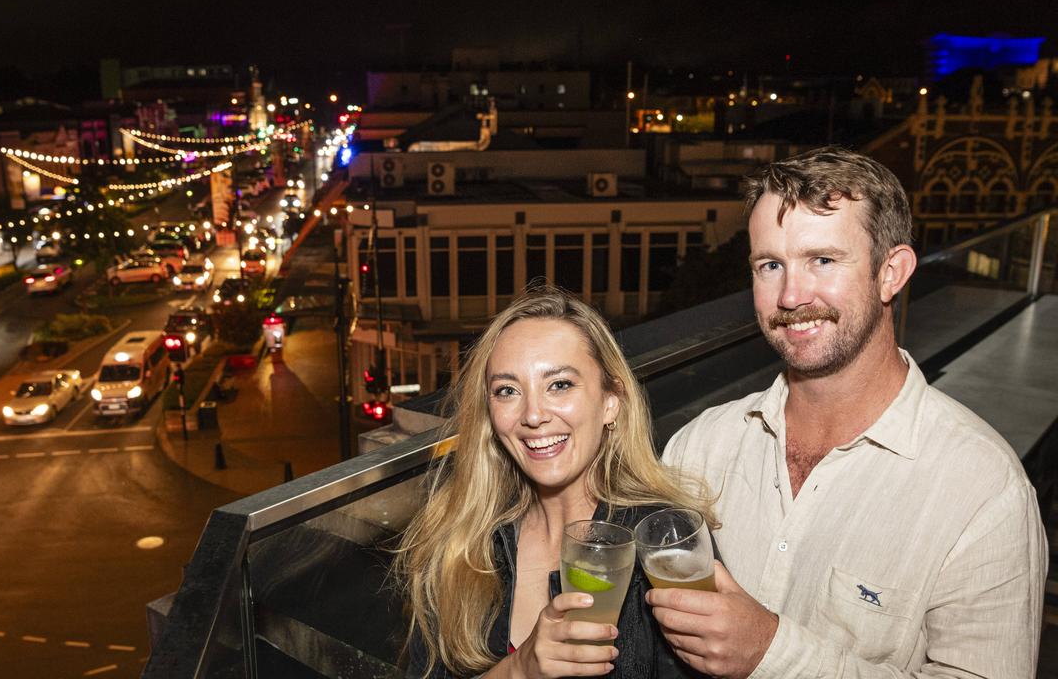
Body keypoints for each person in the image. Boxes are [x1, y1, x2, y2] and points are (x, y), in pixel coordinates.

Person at [654, 146, 1047, 678]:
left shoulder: (983, 489)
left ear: (892, 272)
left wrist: (773, 653)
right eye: (770, 265)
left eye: (823, 260)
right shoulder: (698, 447)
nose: (791, 295)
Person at [396, 284, 712, 679]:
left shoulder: (663, 542)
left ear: (610, 401)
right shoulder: (463, 541)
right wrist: (519, 670)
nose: (532, 415)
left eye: (559, 384)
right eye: (507, 391)